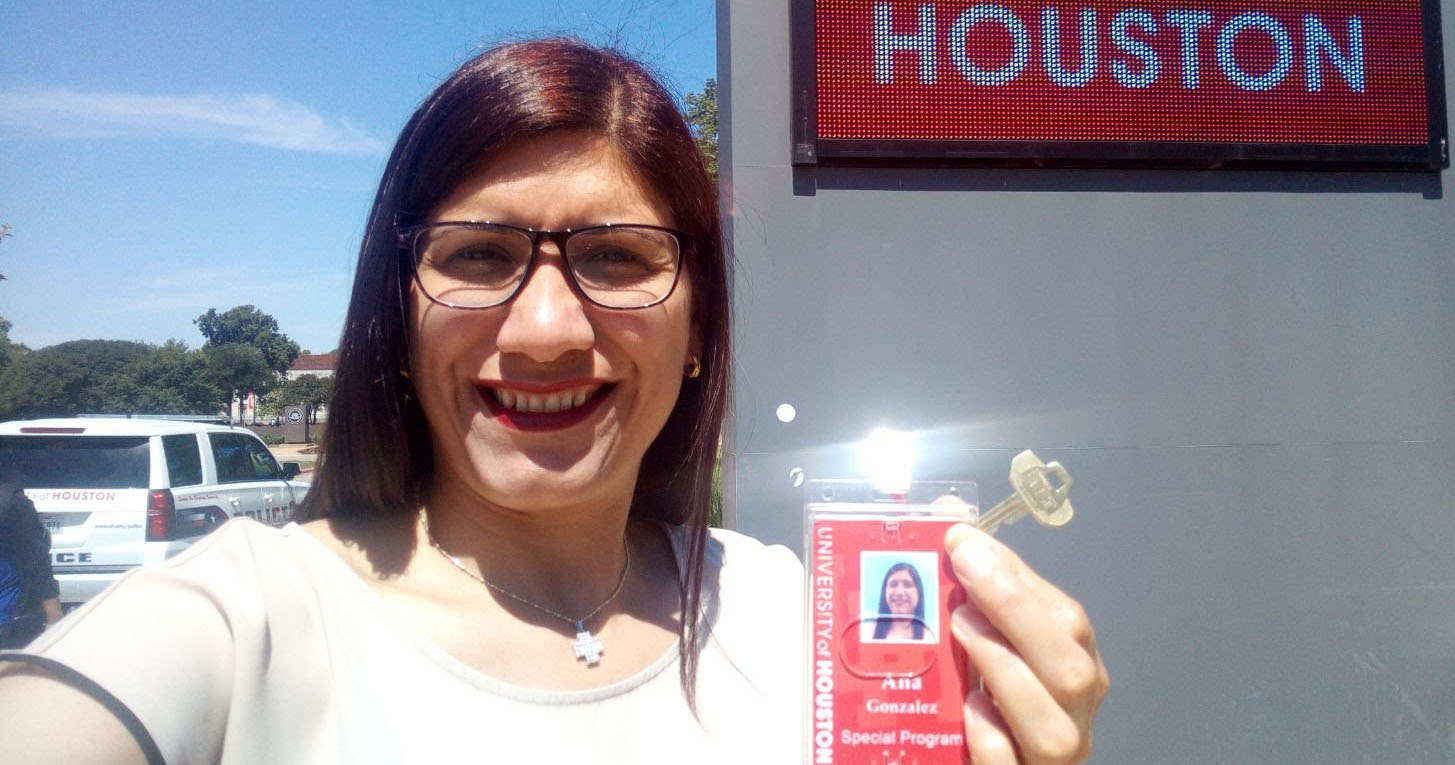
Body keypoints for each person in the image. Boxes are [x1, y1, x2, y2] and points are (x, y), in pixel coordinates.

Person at [0, 38, 1107, 763]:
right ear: (397, 318)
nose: (543, 330)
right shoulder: (234, 624)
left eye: (617, 258)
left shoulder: (803, 622)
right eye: (479, 255)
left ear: (697, 332)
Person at [0, 476, 62, 650]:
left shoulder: (10, 502)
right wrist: (54, 617)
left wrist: (53, 618)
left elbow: (35, 560)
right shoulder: (11, 500)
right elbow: (36, 560)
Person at [870, 561, 930, 643]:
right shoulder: (867, 631)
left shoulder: (929, 637)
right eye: (893, 584)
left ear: (919, 592)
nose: (899, 592)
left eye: (907, 585)